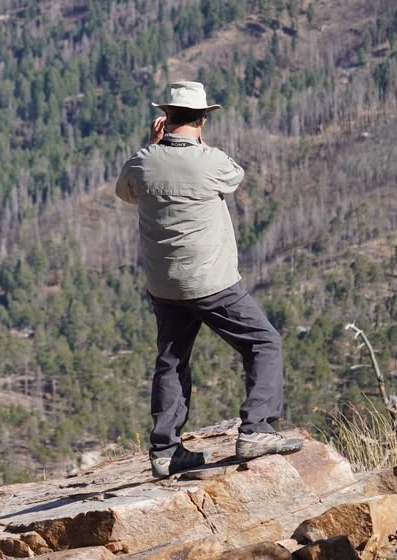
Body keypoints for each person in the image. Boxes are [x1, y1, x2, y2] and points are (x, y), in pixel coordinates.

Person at [115, 80, 303, 477]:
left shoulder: (142, 160)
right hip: (211, 282)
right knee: (263, 342)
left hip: (163, 285)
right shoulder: (211, 160)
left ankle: (165, 449)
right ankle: (256, 428)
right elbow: (235, 178)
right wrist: (197, 146)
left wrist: (152, 144)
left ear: (165, 118)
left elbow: (127, 192)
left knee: (171, 360)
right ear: (202, 120)